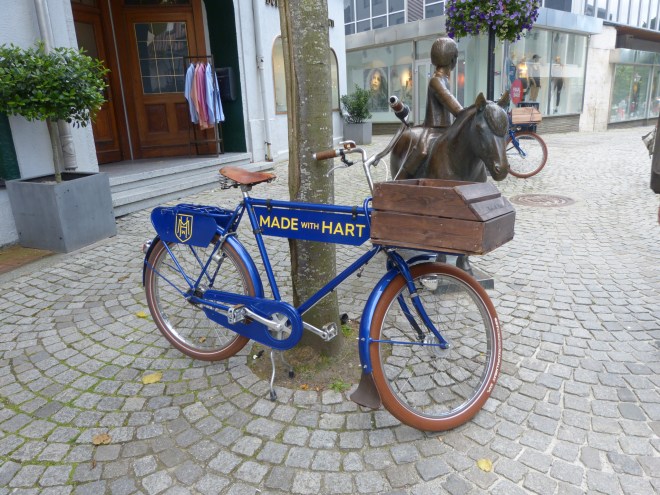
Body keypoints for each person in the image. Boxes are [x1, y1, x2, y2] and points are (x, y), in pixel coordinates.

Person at [396, 37, 463, 178]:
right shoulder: (436, 80)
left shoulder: (444, 79)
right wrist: (466, 114)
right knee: (422, 151)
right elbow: (452, 105)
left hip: (446, 128)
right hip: (433, 128)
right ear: (452, 60)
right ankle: (401, 178)